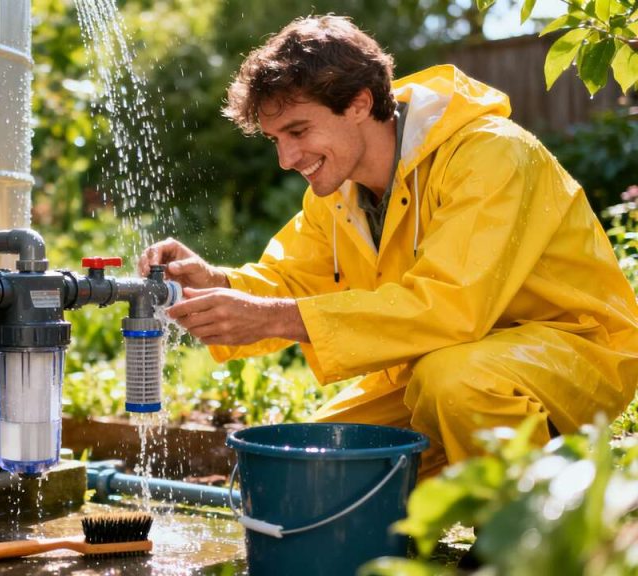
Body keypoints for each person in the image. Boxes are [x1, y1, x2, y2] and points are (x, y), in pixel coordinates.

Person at [140, 15, 638, 477]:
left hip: (570, 351)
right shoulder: (338, 193)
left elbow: (451, 306)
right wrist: (215, 282)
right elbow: (290, 283)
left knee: (454, 382)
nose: (286, 159)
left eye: (298, 130)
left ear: (359, 103)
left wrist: (272, 317)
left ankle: (530, 527)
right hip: (439, 362)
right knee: (309, 468)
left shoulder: (491, 154)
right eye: (275, 139)